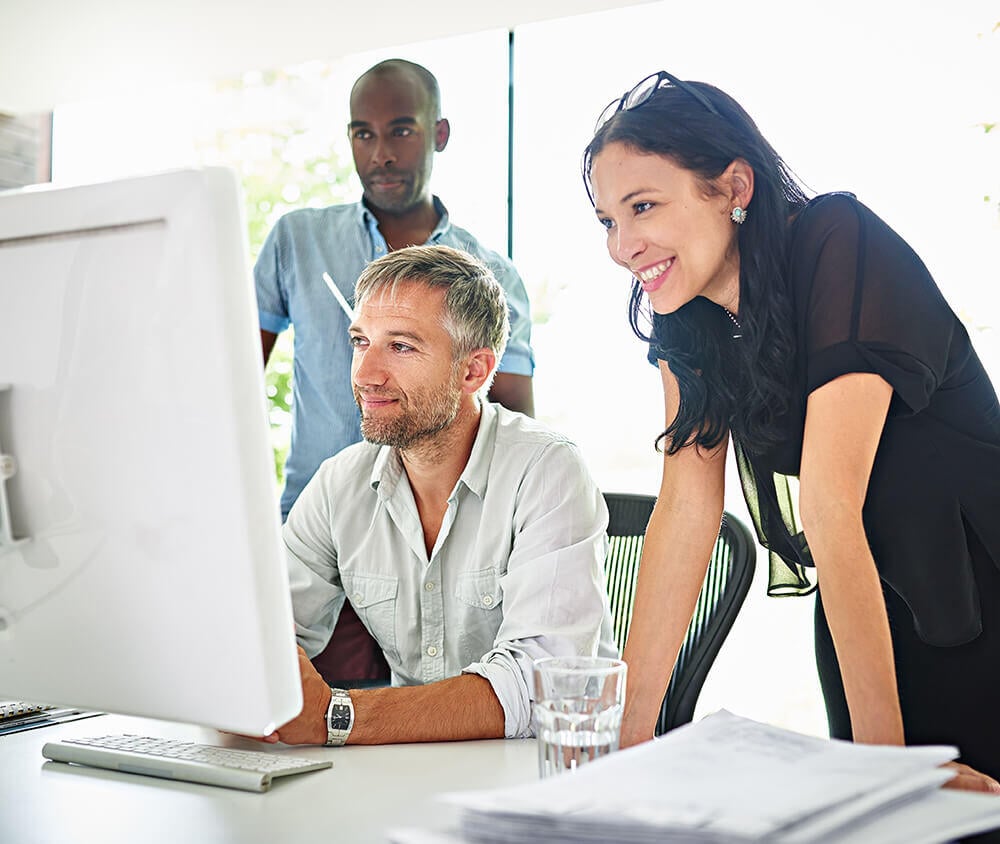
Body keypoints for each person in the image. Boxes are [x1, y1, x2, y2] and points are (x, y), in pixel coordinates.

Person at [582, 71, 1000, 792]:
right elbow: (686, 511)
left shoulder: (840, 242)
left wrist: (886, 769)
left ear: (734, 188)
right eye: (608, 221)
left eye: (642, 206)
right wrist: (629, 735)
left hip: (982, 590)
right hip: (864, 611)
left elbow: (830, 505)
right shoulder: (688, 315)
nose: (623, 246)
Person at [263, 244, 615, 746]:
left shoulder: (547, 471)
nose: (365, 375)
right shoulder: (340, 482)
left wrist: (335, 717)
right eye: (361, 342)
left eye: (401, 347)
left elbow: (541, 687)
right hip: (407, 768)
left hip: (537, 777)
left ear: (473, 371)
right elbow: (268, 629)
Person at [254, 58, 536, 681]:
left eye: (401, 131)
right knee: (310, 727)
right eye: (363, 133)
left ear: (439, 135)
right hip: (322, 543)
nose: (380, 153)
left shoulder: (492, 276)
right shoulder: (297, 240)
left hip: (445, 552)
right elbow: (232, 384)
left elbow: (512, 422)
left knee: (437, 716)